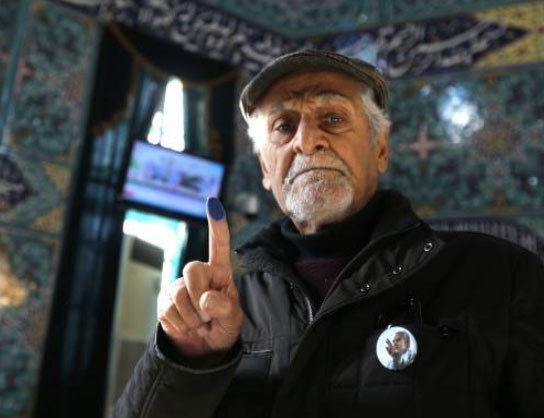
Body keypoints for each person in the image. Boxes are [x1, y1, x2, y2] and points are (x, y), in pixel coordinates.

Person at [114, 49, 544, 417]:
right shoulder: (223, 308)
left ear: (380, 148)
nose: (306, 141)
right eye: (283, 126)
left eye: (333, 118)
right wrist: (188, 359)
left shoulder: (497, 277)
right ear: (265, 168)